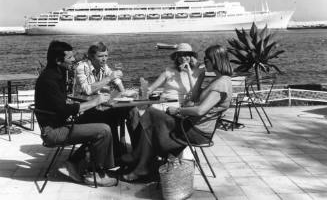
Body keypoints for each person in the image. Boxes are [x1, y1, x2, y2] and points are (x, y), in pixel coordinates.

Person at [121, 45, 233, 182]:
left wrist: (178, 110)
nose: (204, 62)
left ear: (215, 60)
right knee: (150, 122)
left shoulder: (221, 83)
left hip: (196, 131)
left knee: (150, 115)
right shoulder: (220, 81)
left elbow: (200, 110)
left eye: (207, 59)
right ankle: (141, 163)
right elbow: (196, 98)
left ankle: (138, 157)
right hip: (193, 125)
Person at [35, 40, 117, 186]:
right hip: (52, 132)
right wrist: (94, 102)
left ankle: (75, 162)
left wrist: (85, 105)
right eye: (70, 58)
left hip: (60, 123)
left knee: (104, 116)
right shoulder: (49, 79)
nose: (74, 60)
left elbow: (60, 106)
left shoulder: (57, 73)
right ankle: (96, 174)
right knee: (104, 130)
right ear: (58, 61)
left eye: (73, 56)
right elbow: (63, 110)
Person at [74, 42, 140, 156]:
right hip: (88, 110)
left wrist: (124, 92)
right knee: (110, 117)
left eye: (106, 56)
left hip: (102, 105)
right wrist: (109, 78)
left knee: (132, 110)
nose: (104, 59)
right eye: (100, 56)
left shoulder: (103, 66)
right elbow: (87, 90)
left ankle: (138, 152)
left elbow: (116, 79)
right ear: (91, 56)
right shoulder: (82, 67)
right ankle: (116, 154)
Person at [147, 43, 204, 110]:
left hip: (180, 107)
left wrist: (188, 71)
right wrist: (142, 93)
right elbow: (151, 89)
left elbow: (195, 92)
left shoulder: (196, 72)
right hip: (163, 103)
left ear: (191, 57)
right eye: (180, 55)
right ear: (176, 58)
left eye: (186, 55)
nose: (183, 58)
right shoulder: (168, 71)